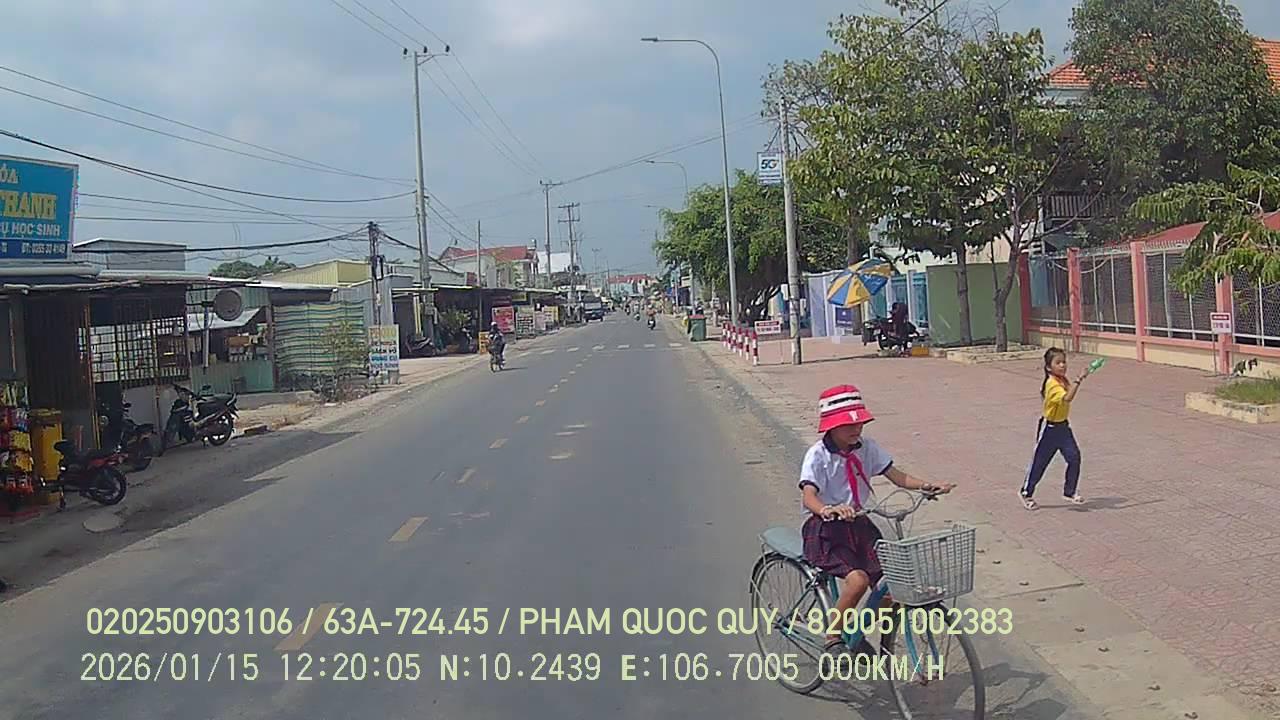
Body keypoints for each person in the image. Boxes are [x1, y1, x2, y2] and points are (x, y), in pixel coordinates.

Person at [800, 385, 954, 644]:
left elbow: (896, 475)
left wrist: (926, 486)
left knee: (890, 586)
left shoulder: (867, 447)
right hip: (828, 529)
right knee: (858, 581)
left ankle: (857, 635)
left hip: (859, 525)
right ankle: (833, 636)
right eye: (848, 424)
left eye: (859, 422)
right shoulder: (818, 455)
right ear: (831, 426)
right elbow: (809, 496)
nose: (856, 429)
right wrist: (828, 509)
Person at [1019, 348, 1085, 509]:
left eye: (1064, 362)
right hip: (1049, 428)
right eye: (1058, 363)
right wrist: (1079, 380)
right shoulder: (1052, 384)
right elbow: (1067, 398)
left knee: (1074, 457)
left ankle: (1069, 491)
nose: (1062, 365)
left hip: (1063, 427)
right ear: (1049, 367)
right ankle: (1026, 492)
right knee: (1040, 463)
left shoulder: (1062, 380)